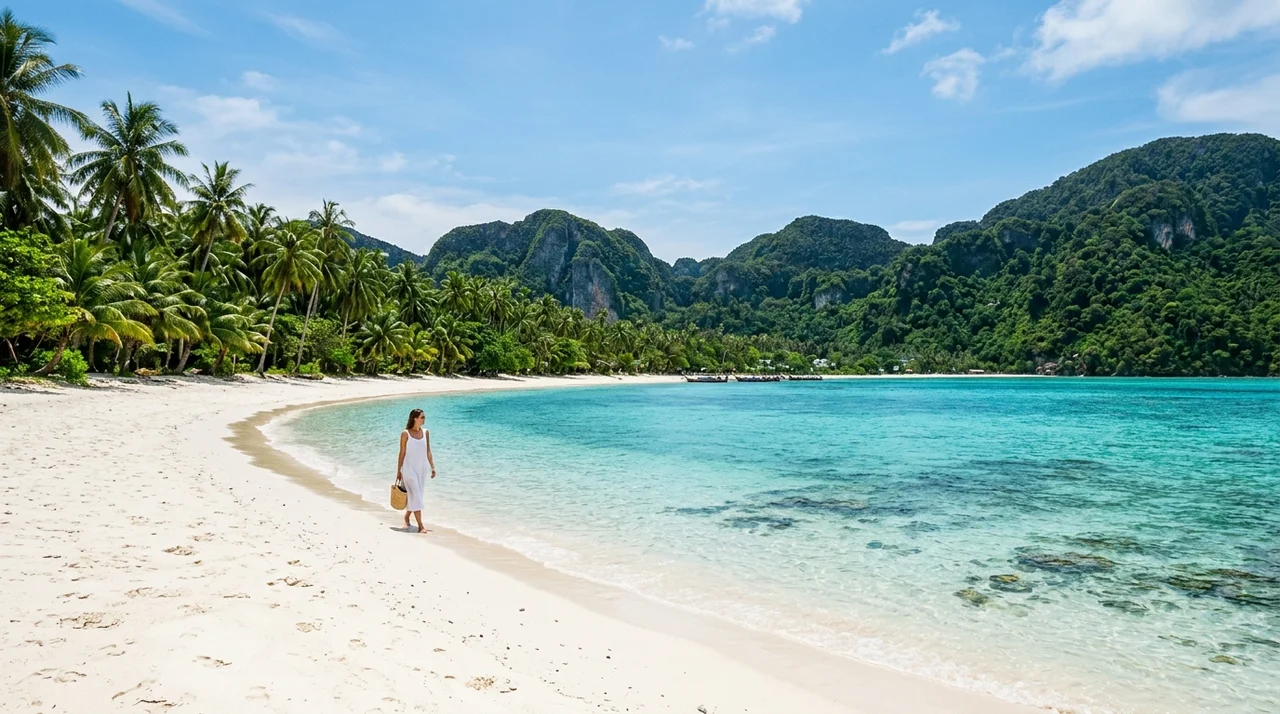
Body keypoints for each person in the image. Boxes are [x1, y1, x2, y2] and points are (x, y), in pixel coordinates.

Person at [395, 408, 436, 532]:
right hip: (409, 469)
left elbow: (428, 451)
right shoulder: (405, 434)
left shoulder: (426, 432)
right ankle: (420, 526)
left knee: (416, 496)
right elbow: (402, 453)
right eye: (422, 417)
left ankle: (407, 517)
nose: (424, 419)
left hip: (422, 469)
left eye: (424, 417)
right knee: (416, 495)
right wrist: (398, 471)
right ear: (415, 418)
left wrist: (433, 467)